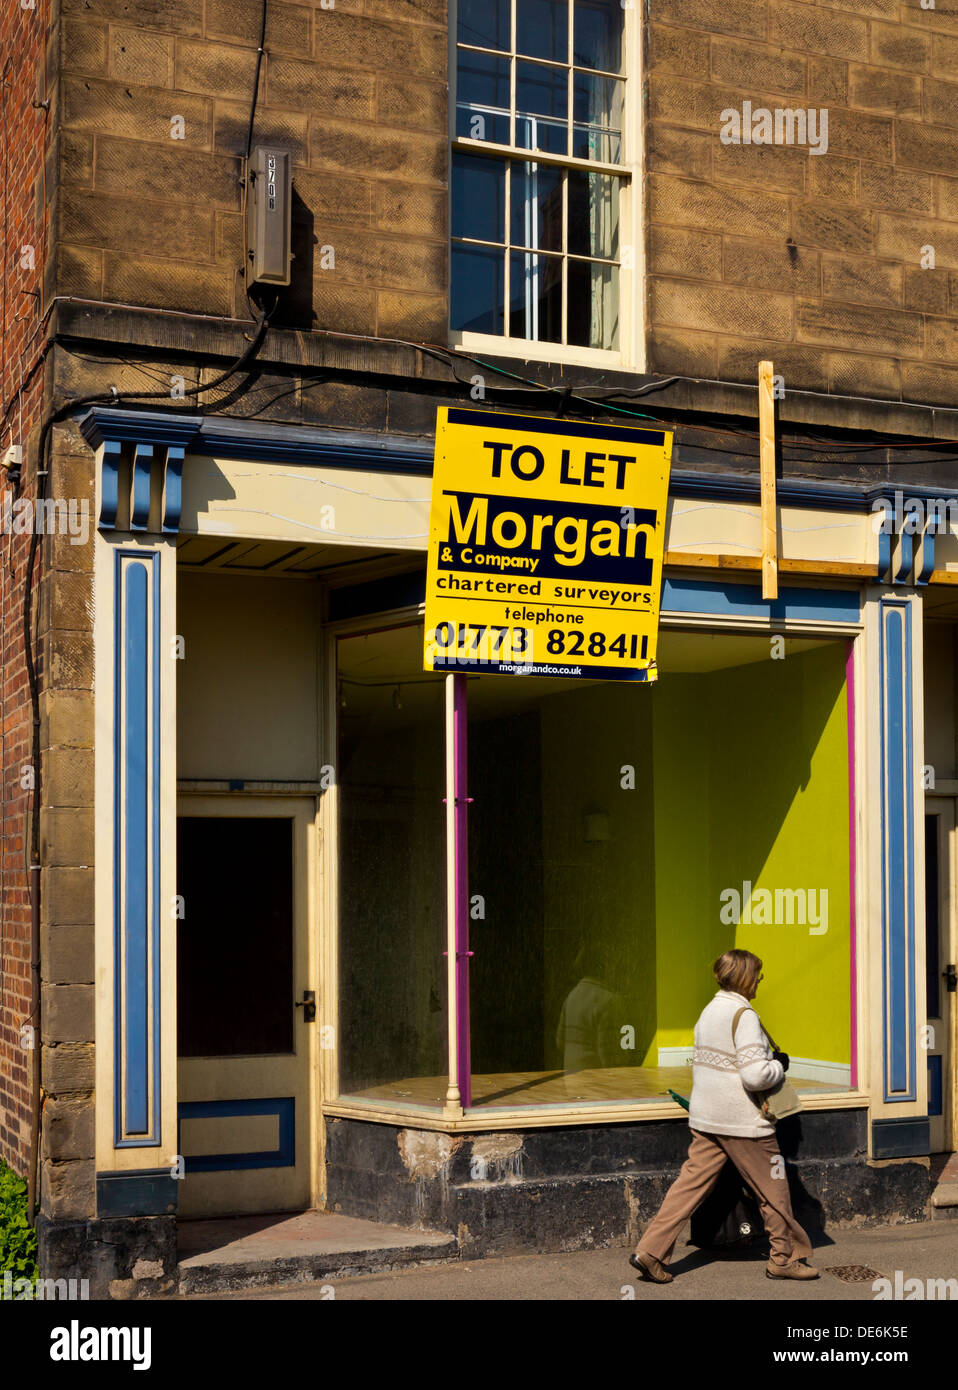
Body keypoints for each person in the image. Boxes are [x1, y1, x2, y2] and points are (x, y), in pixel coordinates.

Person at [630, 948, 819, 1283]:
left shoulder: (709, 1011)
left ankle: (651, 1251)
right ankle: (783, 1259)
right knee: (773, 1190)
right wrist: (779, 1066)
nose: (760, 980)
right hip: (745, 1123)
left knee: (688, 1187)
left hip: (707, 1120)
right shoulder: (743, 1016)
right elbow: (754, 1076)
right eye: (757, 974)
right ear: (745, 977)